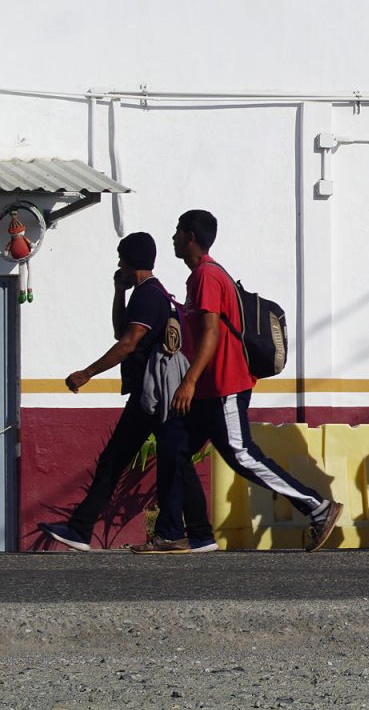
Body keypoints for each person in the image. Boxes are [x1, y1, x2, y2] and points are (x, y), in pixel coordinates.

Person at [140, 210, 341, 553]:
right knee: (175, 448)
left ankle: (317, 507)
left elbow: (211, 333)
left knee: (242, 455)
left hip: (223, 387)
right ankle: (178, 533)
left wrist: (188, 381)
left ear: (190, 236)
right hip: (206, 391)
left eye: (177, 231)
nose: (172, 237)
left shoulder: (206, 275)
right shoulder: (201, 276)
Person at [39, 233, 215, 553]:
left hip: (151, 397)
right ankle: (202, 534)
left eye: (121, 258)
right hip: (160, 396)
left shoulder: (149, 296)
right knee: (176, 461)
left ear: (131, 260)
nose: (118, 263)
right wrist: (119, 291)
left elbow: (127, 343)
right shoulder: (149, 294)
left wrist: (87, 373)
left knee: (114, 459)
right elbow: (122, 330)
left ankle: (80, 529)